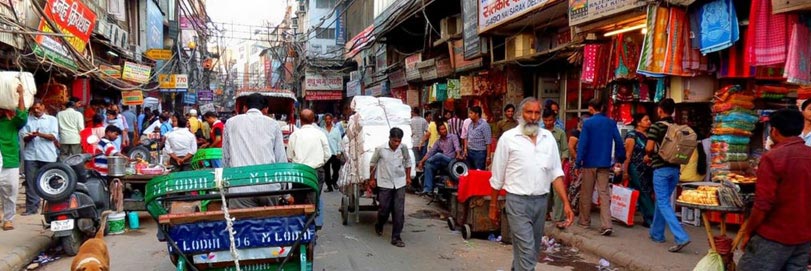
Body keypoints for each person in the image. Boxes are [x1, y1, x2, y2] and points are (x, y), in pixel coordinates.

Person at [488, 97, 574, 271]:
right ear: (521, 114)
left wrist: (566, 203)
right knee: (527, 251)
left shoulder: (548, 138)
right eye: (529, 112)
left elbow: (556, 173)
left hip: (541, 202)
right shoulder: (508, 138)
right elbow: (497, 175)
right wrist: (493, 205)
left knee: (530, 250)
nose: (533, 117)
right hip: (517, 202)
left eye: (537, 113)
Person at [738, 109, 811, 271]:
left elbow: (763, 204)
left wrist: (749, 231)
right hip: (803, 237)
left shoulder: (774, 157)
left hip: (774, 235)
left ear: (774, 131)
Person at [222, 93, 288, 208]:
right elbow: (281, 160)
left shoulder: (230, 123)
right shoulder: (273, 124)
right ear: (266, 109)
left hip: (240, 187)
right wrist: (285, 193)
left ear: (245, 108)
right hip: (269, 186)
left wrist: (228, 187)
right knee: (270, 225)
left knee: (242, 225)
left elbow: (226, 158)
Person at [645, 98, 691, 252]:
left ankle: (681, 237)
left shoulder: (656, 127)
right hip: (675, 170)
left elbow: (649, 147)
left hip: (661, 170)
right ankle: (656, 234)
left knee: (663, 202)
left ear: (660, 110)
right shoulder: (678, 128)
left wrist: (648, 155)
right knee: (662, 200)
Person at [575, 98, 625, 236]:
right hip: (604, 162)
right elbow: (619, 142)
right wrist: (619, 159)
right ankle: (607, 224)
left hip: (589, 163)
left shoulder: (588, 123)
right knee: (604, 193)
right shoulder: (611, 123)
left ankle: (584, 221)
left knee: (586, 192)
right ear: (602, 107)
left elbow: (583, 144)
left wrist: (578, 162)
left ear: (591, 108)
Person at [288, 109, 331, 229]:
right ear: (313, 120)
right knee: (313, 199)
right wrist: (319, 162)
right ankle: (311, 224)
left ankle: (300, 226)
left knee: (299, 201)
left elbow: (290, 156)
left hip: (299, 172)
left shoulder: (295, 135)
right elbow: (327, 154)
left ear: (300, 120)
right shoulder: (320, 134)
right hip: (316, 171)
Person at [369, 127, 412, 247]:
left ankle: (396, 237)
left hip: (400, 182)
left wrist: (408, 177)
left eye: (399, 141)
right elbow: (373, 163)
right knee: (384, 209)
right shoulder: (380, 149)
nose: (396, 143)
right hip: (384, 182)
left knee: (399, 211)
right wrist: (372, 179)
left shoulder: (403, 148)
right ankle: (379, 223)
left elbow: (408, 162)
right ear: (390, 138)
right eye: (394, 141)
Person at [20, 101, 59, 216]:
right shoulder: (27, 120)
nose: (36, 110)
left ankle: (54, 207)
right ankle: (31, 208)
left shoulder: (52, 120)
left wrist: (39, 134)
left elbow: (53, 137)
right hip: (31, 155)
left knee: (52, 181)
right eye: (34, 108)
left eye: (38, 107)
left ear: (43, 106)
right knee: (31, 183)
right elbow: (24, 138)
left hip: (48, 155)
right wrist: (31, 136)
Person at [0, 85, 26, 230]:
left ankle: (8, 219)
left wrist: (20, 94)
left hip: (9, 160)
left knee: (10, 190)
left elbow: (22, 115)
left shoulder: (12, 122)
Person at [622, 113, 655, 227]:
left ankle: (648, 218)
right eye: (646, 120)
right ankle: (651, 218)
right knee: (643, 192)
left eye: (649, 119)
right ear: (638, 122)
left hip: (648, 168)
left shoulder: (650, 135)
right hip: (636, 168)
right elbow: (628, 155)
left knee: (648, 192)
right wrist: (625, 171)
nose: (649, 121)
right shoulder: (632, 136)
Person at [543, 109, 569, 229]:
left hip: (556, 166)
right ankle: (545, 213)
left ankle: (559, 218)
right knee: (545, 192)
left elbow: (565, 150)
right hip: (542, 167)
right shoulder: (540, 133)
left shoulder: (560, 133)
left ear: (554, 120)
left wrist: (561, 163)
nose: (548, 122)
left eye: (550, 120)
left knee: (558, 193)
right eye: (546, 120)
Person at [417, 125, 462, 195]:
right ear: (438, 132)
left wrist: (458, 154)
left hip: (451, 160)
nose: (444, 130)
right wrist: (422, 161)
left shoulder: (453, 137)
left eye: (444, 129)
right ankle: (427, 189)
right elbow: (431, 152)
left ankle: (427, 161)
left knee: (438, 155)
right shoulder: (438, 141)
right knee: (428, 165)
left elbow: (457, 147)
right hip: (442, 161)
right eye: (441, 129)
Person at [567, 113, 591, 215]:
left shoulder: (588, 133)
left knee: (583, 186)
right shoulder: (576, 133)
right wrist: (578, 160)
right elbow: (571, 147)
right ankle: (572, 206)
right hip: (577, 163)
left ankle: (578, 206)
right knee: (575, 185)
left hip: (586, 162)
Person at [322, 113, 343, 192]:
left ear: (331, 120)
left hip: (335, 153)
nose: (328, 121)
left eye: (329, 119)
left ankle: (334, 182)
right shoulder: (322, 130)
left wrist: (339, 152)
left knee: (336, 169)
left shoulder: (336, 130)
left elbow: (339, 141)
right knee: (326, 171)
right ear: (324, 120)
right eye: (326, 119)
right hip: (326, 153)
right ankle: (329, 186)